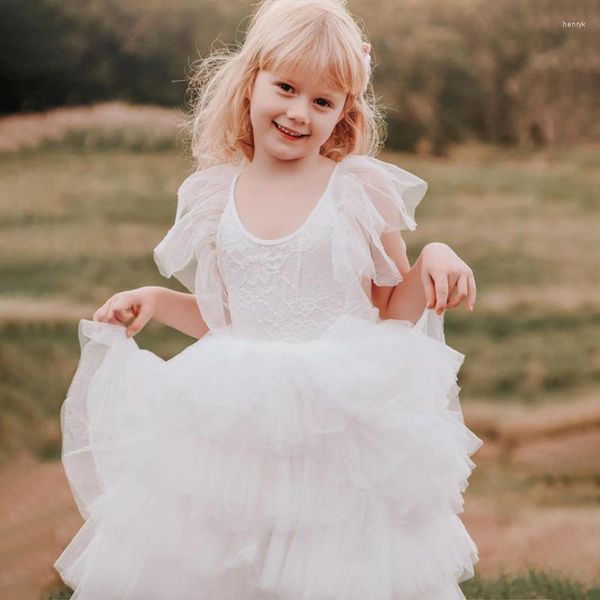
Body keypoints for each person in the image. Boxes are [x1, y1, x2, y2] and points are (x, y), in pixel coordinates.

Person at [53, 0, 483, 598]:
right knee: (227, 561)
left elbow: (391, 310)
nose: (298, 112)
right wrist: (154, 298)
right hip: (242, 420)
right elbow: (228, 322)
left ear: (344, 114)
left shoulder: (359, 190)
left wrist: (435, 254)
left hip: (338, 422)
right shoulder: (212, 195)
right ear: (251, 80)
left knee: (334, 563)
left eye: (322, 101)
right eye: (286, 87)